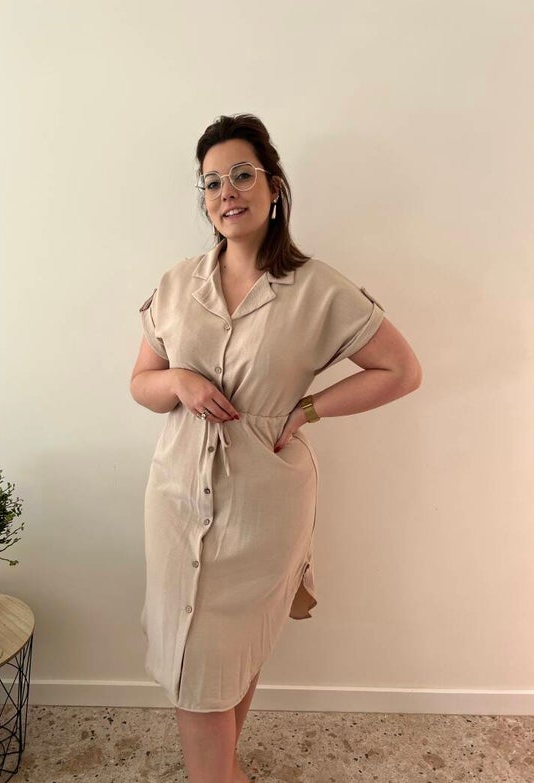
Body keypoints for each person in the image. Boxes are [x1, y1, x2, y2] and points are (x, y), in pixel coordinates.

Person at [129, 113, 422, 783]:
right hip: (177, 495)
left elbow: (401, 370)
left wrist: (309, 408)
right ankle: (224, 772)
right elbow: (141, 383)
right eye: (211, 182)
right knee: (195, 662)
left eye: (241, 175)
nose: (226, 192)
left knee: (231, 651)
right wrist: (177, 381)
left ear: (273, 186)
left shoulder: (318, 289)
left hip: (263, 506)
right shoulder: (176, 284)